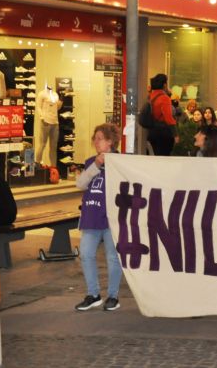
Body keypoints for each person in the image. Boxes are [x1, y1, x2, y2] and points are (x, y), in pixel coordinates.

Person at [74, 123, 123, 311]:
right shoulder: (90, 162)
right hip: (92, 216)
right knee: (86, 254)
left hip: (112, 218)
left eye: (100, 139)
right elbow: (80, 184)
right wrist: (96, 165)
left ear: (110, 142)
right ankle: (93, 294)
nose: (96, 142)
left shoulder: (120, 162)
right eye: (95, 138)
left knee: (113, 257)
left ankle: (113, 296)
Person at [146, 74, 178, 156]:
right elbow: (169, 118)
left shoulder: (151, 96)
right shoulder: (164, 98)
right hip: (163, 134)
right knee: (164, 159)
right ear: (164, 85)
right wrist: (175, 134)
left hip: (152, 132)